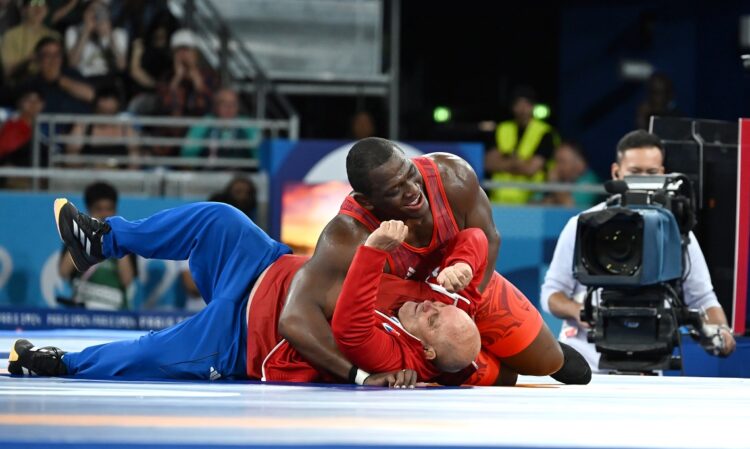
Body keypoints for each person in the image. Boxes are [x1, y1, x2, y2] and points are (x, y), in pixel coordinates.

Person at [9, 200, 482, 387]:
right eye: (443, 306)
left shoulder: (394, 357)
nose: (432, 305)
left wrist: (374, 251)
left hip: (241, 338)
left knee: (149, 352)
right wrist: (464, 263)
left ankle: (58, 362)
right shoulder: (436, 303)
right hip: (264, 265)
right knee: (220, 219)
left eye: (436, 319)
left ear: (427, 348)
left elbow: (347, 321)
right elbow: (477, 236)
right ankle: (102, 240)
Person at [279, 137, 591, 387]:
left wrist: (462, 309)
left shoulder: (451, 178)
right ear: (367, 202)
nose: (413, 191)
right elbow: (294, 318)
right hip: (413, 322)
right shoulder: (347, 235)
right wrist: (356, 375)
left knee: (547, 361)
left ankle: (496, 355)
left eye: (410, 174)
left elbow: (489, 238)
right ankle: (485, 368)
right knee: (480, 372)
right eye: (395, 190)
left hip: (460, 287)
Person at [540, 130, 736, 371]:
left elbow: (704, 299)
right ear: (616, 172)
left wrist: (720, 333)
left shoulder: (679, 234)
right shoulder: (584, 224)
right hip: (585, 365)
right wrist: (580, 311)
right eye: (635, 172)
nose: (644, 180)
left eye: (652, 173)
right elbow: (551, 295)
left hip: (649, 365)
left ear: (663, 174)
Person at [58, 182, 136, 310]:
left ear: (116, 210)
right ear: (89, 211)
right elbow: (63, 272)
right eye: (99, 209)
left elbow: (126, 280)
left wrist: (116, 237)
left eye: (109, 209)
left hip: (115, 313)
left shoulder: (126, 239)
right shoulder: (76, 235)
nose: (105, 214)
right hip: (82, 312)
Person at [484, 86, 558, 205]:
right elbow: (489, 163)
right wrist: (518, 162)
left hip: (531, 202)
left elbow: (531, 169)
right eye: (518, 104)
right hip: (498, 200)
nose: (522, 109)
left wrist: (505, 160)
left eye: (526, 104)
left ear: (533, 106)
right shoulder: (502, 129)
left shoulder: (545, 133)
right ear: (512, 107)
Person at [64, 86, 140, 167]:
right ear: (96, 106)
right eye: (103, 112)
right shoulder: (83, 126)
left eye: (110, 112)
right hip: (88, 175)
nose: (106, 118)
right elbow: (71, 155)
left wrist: (127, 177)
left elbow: (135, 158)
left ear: (118, 106)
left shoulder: (126, 129)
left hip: (119, 176)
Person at [181, 87, 261, 161]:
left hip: (240, 173)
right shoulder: (204, 124)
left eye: (233, 104)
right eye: (224, 103)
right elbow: (188, 154)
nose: (229, 107)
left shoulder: (247, 125)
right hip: (209, 173)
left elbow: (259, 154)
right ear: (215, 106)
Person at [20, 36, 94, 114]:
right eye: (48, 55)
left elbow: (91, 95)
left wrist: (58, 80)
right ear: (38, 58)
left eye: (57, 54)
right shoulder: (31, 83)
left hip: (79, 124)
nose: (53, 59)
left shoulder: (72, 74)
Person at [64, 0, 128, 88]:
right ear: (85, 13)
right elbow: (72, 64)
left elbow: (121, 66)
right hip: (83, 80)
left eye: (100, 10)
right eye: (92, 10)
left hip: (109, 79)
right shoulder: (73, 31)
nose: (96, 14)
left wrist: (109, 36)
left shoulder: (118, 33)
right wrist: (86, 32)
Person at [1, 0, 60, 85]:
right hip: (21, 84)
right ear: (24, 10)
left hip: (50, 84)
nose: (38, 8)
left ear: (47, 10)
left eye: (42, 4)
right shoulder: (11, 35)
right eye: (33, 3)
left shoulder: (55, 36)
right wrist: (29, 60)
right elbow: (8, 73)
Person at [541, 141, 600, 208]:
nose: (557, 167)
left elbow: (569, 207)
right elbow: (532, 204)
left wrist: (555, 183)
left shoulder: (590, 181)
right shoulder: (562, 178)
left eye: (562, 161)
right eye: (556, 161)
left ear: (579, 163)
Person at [0, 88, 45, 167]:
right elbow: (7, 149)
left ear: (43, 104)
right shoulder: (11, 123)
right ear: (20, 103)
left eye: (37, 101)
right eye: (28, 100)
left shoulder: (49, 124)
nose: (33, 104)